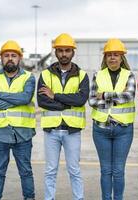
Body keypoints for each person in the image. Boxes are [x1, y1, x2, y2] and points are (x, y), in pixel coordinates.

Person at [37, 33, 89, 200]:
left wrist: (55, 96)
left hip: (72, 131)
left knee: (74, 170)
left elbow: (81, 99)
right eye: (60, 50)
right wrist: (68, 102)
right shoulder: (45, 75)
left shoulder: (82, 75)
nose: (64, 54)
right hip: (51, 130)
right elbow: (42, 101)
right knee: (50, 170)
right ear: (56, 52)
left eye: (67, 50)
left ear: (73, 52)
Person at [0, 40, 36, 200]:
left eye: (14, 55)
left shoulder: (29, 77)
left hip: (23, 133)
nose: (10, 58)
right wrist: (15, 99)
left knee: (26, 172)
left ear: (19, 58)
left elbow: (25, 98)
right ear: (1, 58)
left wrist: (0, 94)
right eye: (6, 55)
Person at [88, 38, 136, 200]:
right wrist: (116, 96)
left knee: (118, 171)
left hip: (123, 129)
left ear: (122, 57)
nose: (112, 58)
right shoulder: (98, 75)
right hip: (101, 129)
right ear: (105, 57)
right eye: (109, 55)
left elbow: (128, 96)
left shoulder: (129, 75)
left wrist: (105, 95)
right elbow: (93, 101)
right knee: (106, 170)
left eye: (116, 55)